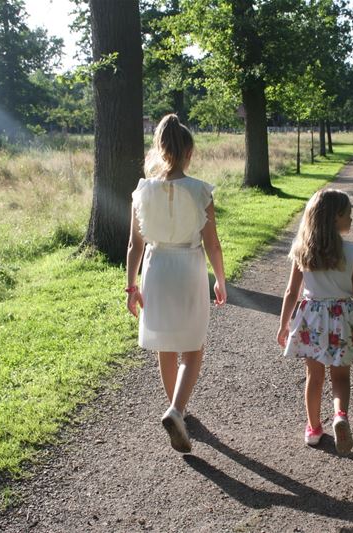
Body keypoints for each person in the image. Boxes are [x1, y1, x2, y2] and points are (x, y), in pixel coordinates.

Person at [126, 114, 226, 454]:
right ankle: (177, 410)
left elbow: (134, 245)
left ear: (161, 149)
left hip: (155, 268)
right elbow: (212, 244)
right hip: (188, 267)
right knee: (193, 346)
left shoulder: (142, 190)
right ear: (189, 154)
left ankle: (175, 407)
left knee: (166, 345)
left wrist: (131, 286)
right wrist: (221, 280)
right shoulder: (200, 191)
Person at [277, 189, 353, 454]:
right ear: (334, 219)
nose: (352, 219)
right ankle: (340, 415)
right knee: (341, 376)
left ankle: (313, 428)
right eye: (348, 215)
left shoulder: (302, 250)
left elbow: (291, 292)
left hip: (312, 320)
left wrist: (284, 324)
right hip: (343, 318)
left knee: (314, 376)